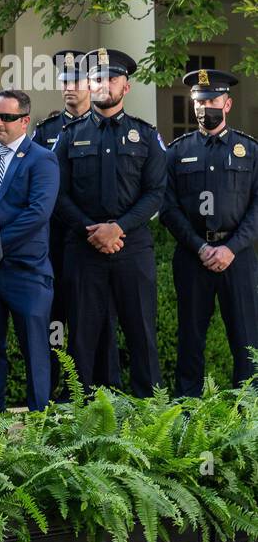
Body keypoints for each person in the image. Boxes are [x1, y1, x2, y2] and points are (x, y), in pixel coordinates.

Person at [53, 47, 166, 397]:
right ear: (89, 83)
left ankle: (150, 415)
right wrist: (93, 230)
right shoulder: (69, 136)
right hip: (84, 250)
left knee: (142, 333)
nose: (104, 84)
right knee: (83, 340)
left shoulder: (146, 136)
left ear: (125, 87)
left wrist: (117, 228)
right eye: (98, 78)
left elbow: (156, 192)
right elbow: (57, 194)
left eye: (112, 78)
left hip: (131, 248)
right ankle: (79, 418)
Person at [160, 69, 258, 395]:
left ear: (227, 104)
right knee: (190, 340)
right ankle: (188, 415)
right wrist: (200, 247)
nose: (205, 107)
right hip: (192, 258)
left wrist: (231, 248)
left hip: (238, 257)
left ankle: (247, 419)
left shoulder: (250, 151)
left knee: (246, 342)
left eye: (212, 100)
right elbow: (168, 208)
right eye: (199, 101)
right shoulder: (175, 152)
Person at [0, 90, 59, 411]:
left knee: (35, 350)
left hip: (26, 271)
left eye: (7, 117)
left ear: (25, 121)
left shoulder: (42, 158)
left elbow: (38, 213)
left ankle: (41, 419)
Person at [33, 49, 120, 394]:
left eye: (78, 81)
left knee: (100, 321)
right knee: (56, 322)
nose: (70, 88)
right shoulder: (47, 130)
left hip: (99, 244)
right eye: (64, 81)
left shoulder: (112, 127)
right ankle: (57, 391)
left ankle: (103, 390)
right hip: (57, 243)